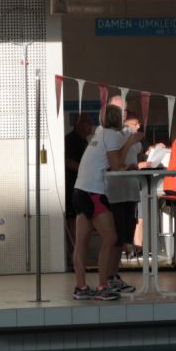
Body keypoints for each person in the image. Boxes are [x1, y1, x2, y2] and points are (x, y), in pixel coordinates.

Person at [71, 105, 138, 301]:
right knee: (111, 238)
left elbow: (106, 163)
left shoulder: (98, 135)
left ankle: (81, 287)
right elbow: (116, 165)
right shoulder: (112, 135)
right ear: (118, 120)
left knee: (81, 243)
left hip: (79, 191)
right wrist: (130, 142)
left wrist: (124, 166)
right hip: (94, 192)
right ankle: (103, 286)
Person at [102, 104, 143, 296]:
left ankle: (113, 274)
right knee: (115, 237)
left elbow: (136, 153)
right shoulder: (111, 135)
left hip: (130, 190)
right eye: (121, 111)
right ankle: (108, 277)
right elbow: (116, 161)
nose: (138, 126)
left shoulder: (131, 136)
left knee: (124, 236)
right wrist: (129, 142)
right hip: (116, 192)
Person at [63, 113, 95, 256]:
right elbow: (67, 161)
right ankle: (74, 254)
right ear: (77, 124)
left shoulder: (85, 141)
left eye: (90, 122)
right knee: (73, 220)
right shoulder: (71, 140)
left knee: (82, 218)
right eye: (86, 122)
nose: (90, 125)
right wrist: (86, 170)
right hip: (72, 185)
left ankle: (80, 254)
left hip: (84, 186)